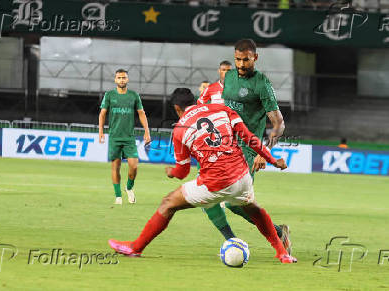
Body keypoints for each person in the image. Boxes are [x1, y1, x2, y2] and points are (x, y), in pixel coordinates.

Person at [108, 88, 297, 264]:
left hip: (214, 183)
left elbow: (182, 172)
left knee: (168, 203)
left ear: (176, 108)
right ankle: (282, 253)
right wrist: (273, 160)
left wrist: (171, 173)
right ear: (196, 101)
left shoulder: (180, 128)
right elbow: (249, 137)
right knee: (254, 209)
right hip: (242, 177)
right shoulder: (222, 110)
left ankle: (136, 247)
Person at [195, 47, 291, 254]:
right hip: (222, 146)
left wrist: (262, 152)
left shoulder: (261, 84)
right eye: (237, 59)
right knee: (206, 195)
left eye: (245, 60)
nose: (240, 65)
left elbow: (279, 124)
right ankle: (266, 235)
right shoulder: (229, 77)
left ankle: (277, 235)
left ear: (255, 58)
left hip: (248, 150)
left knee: (234, 203)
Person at [98, 69, 151, 205]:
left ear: (127, 79)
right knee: (115, 166)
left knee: (134, 166)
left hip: (129, 138)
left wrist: (147, 131)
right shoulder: (109, 95)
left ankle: (129, 187)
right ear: (115, 80)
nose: (122, 80)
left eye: (124, 77)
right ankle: (118, 196)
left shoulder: (134, 95)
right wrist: (101, 132)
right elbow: (102, 114)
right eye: (119, 77)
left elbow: (141, 113)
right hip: (115, 137)